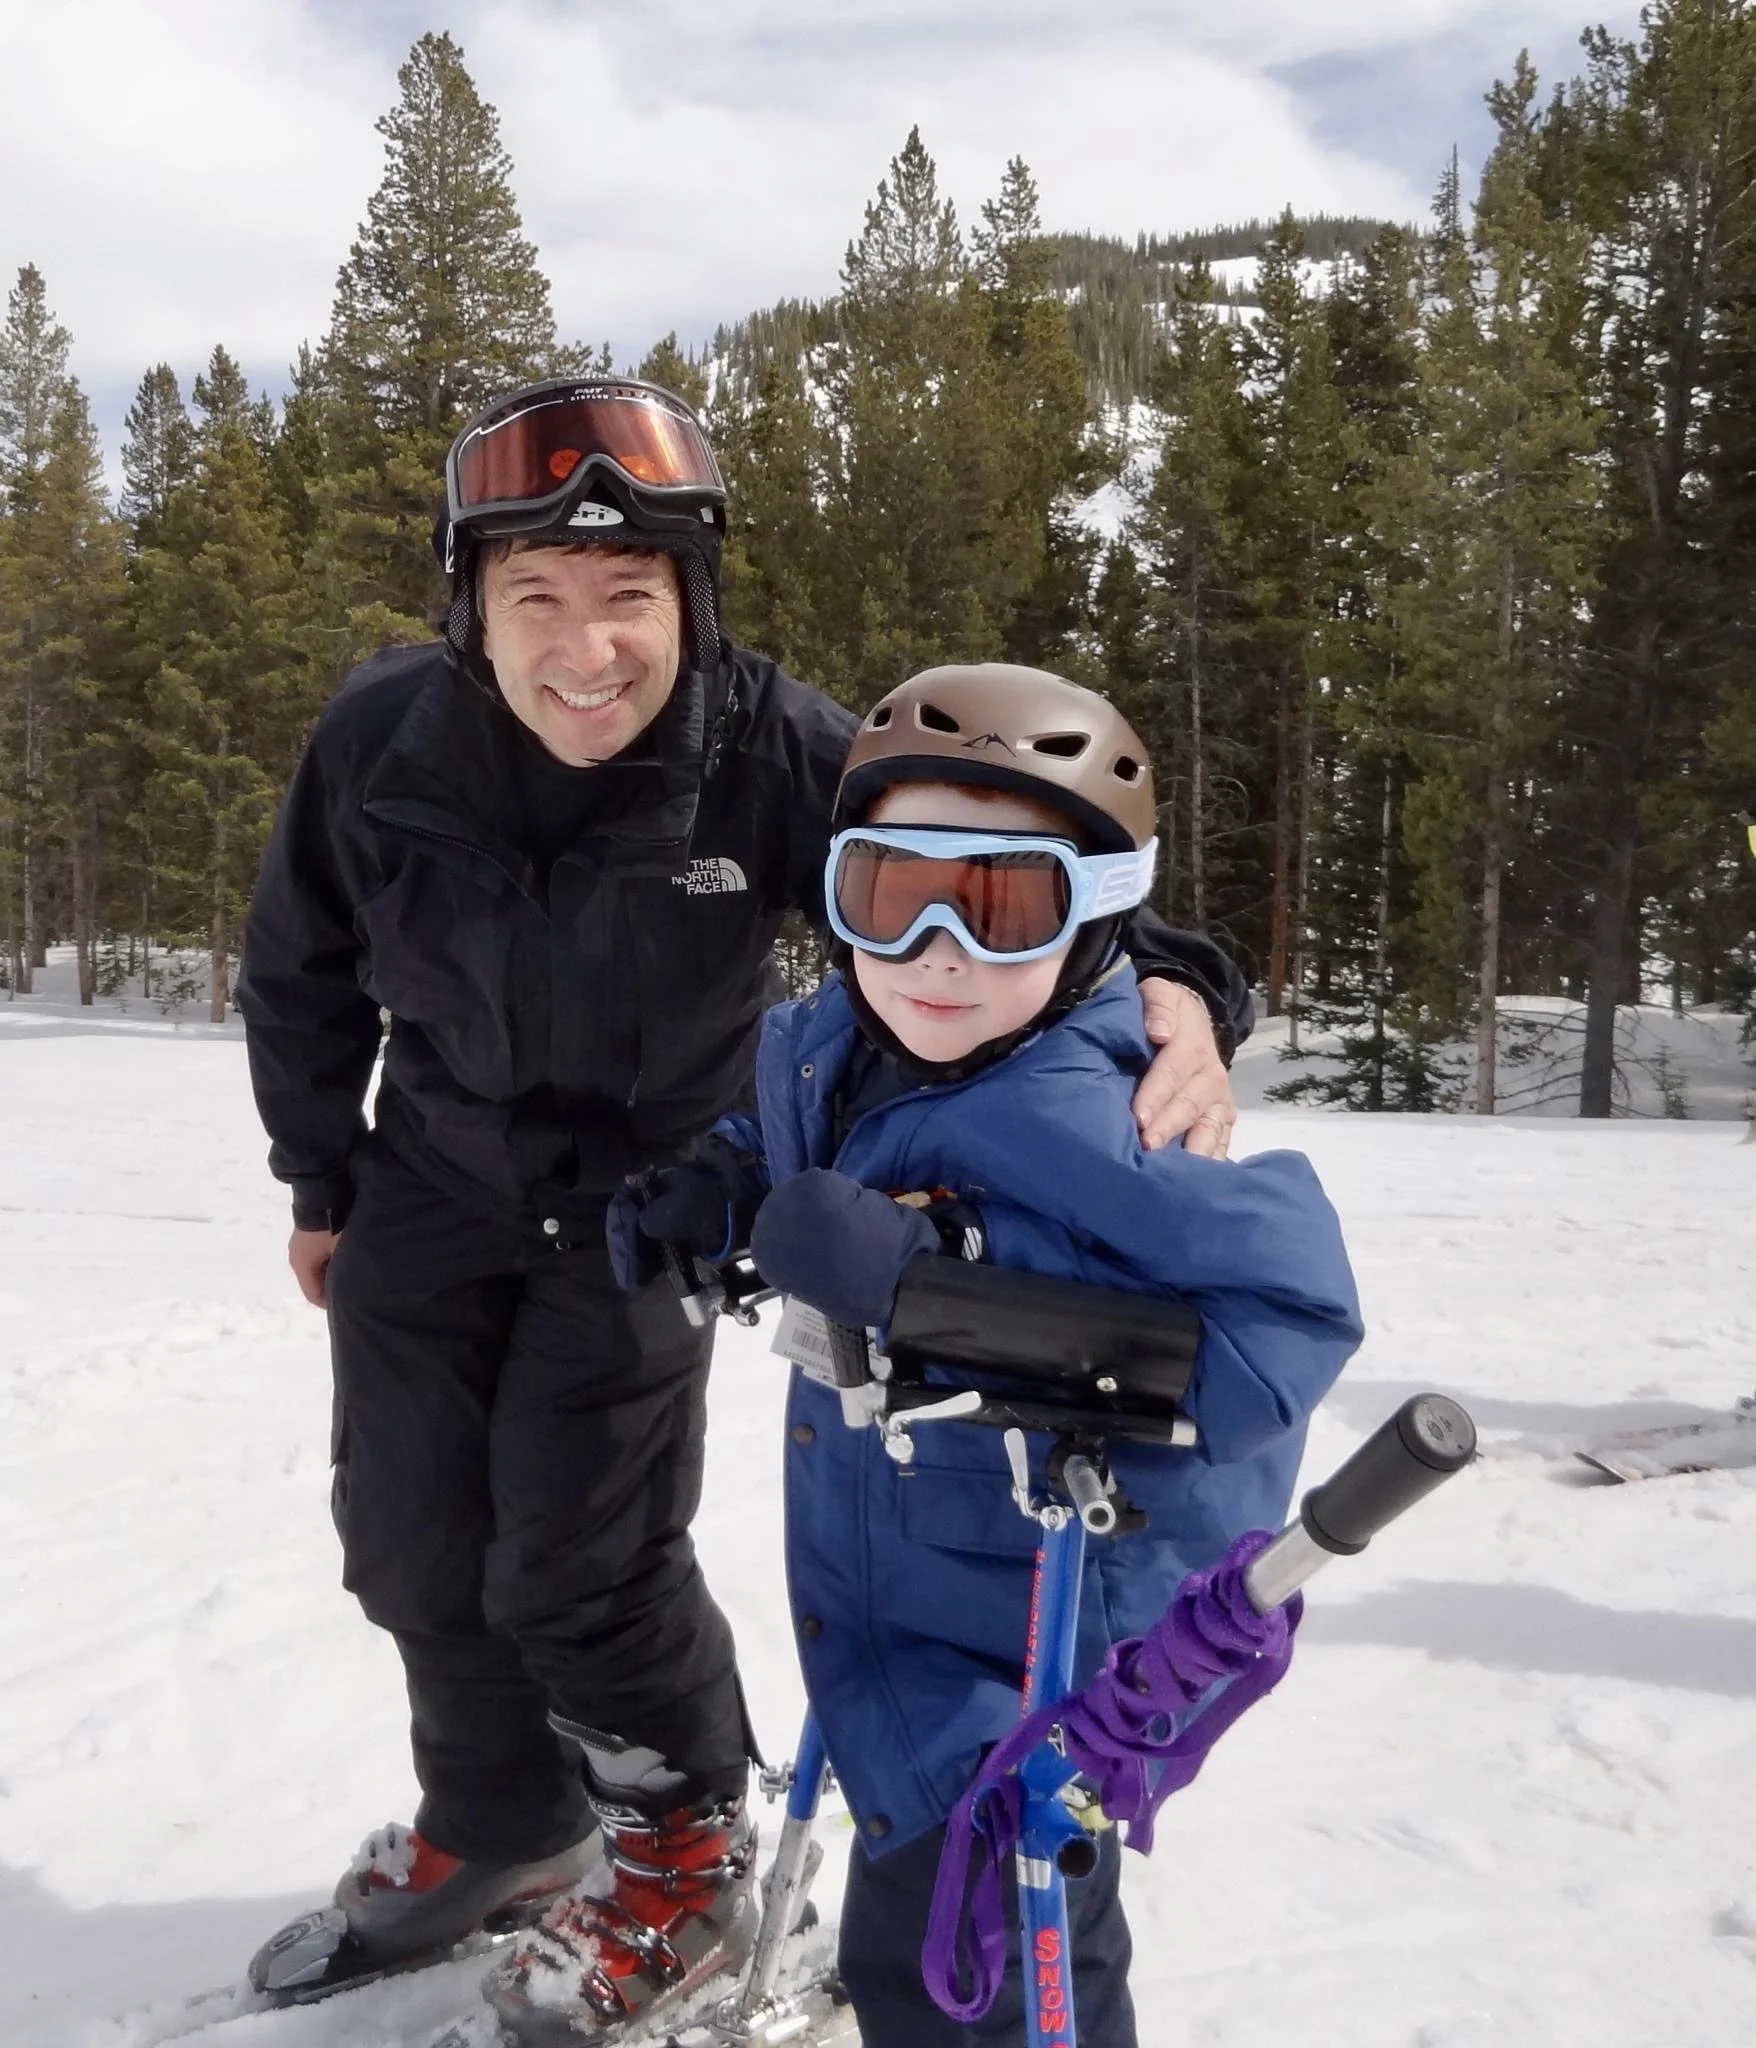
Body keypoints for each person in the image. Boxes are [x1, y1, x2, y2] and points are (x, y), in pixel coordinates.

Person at [235, 380, 1254, 2007]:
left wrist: (1181, 990)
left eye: (630, 598)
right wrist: (317, 1174)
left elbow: (1002, 863)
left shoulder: (770, 742)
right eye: (538, 600)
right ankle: (500, 1820)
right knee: (410, 1538)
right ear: (469, 608)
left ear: (689, 602)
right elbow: (298, 967)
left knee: (576, 1556)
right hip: (426, 1182)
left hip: (653, 1202)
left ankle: (680, 1848)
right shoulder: (380, 737)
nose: (589, 650)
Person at [571, 664, 1365, 2047]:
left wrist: (929, 1297)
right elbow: (786, 1139)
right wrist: (717, 1185)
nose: (935, 948)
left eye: (1000, 907)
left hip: (1039, 1651)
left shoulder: (1101, 1120)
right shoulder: (833, 1046)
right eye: (888, 893)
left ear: (1103, 913)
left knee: (965, 1972)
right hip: (895, 1594)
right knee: (928, 1943)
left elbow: (1286, 1322)